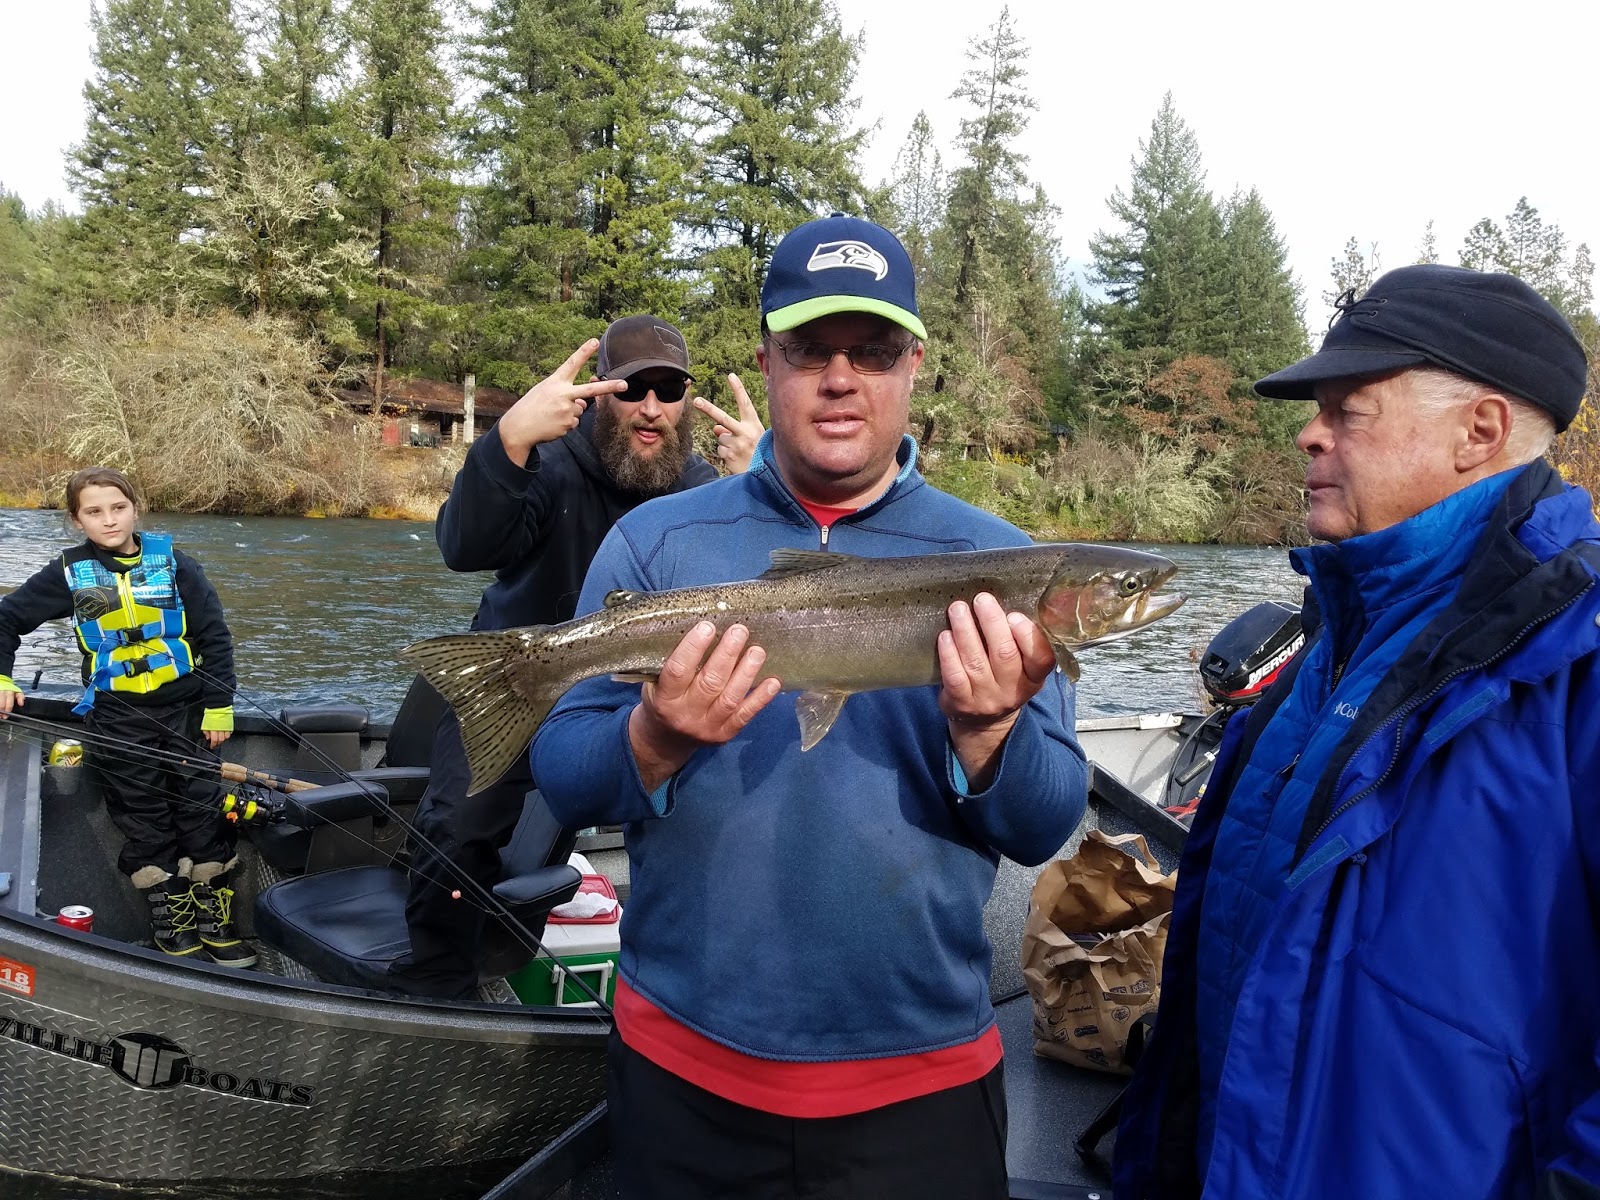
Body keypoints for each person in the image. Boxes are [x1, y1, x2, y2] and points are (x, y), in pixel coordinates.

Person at [530, 214, 1089, 1199]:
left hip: (920, 1093)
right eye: (809, 350)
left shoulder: (1000, 561)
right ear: (766, 363)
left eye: (870, 351)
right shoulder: (657, 545)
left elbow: (1043, 824)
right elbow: (564, 779)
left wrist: (988, 731)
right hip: (682, 1074)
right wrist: (653, 739)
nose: (840, 377)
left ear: (913, 365)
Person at [1112, 265, 1600, 1200]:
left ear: (1481, 432)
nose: (1309, 433)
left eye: (1350, 410)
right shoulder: (1333, 637)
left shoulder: (1578, 661)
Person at [390, 314, 761, 999]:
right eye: (632, 388)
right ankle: (439, 981)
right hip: (519, 683)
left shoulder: (710, 486)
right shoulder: (549, 463)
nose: (651, 407)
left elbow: (771, 590)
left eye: (669, 389)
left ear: (686, 399)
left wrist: (764, 484)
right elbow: (463, 548)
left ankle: (692, 982)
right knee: (457, 821)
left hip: (647, 699)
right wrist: (507, 443)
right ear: (600, 392)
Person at [0, 466, 254, 968]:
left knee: (200, 810)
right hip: (118, 719)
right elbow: (6, 619)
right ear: (77, 521)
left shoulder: (178, 565)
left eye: (117, 508)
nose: (109, 520)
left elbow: (215, 637)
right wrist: (2, 677)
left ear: (135, 508)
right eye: (93, 512)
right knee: (143, 817)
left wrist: (220, 704)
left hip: (188, 713)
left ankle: (214, 917)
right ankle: (171, 922)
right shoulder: (67, 574)